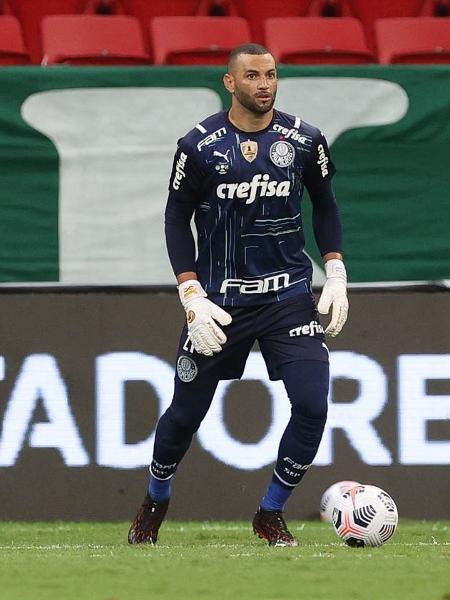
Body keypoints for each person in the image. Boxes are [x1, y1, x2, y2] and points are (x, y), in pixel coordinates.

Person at [128, 43, 348, 547]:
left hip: (287, 298)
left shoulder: (305, 140)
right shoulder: (199, 145)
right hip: (217, 304)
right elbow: (175, 217)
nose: (264, 84)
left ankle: (270, 513)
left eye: (270, 75)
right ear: (230, 83)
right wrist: (190, 293)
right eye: (252, 76)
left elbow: (326, 207)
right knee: (185, 415)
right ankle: (155, 499)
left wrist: (334, 272)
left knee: (313, 405)